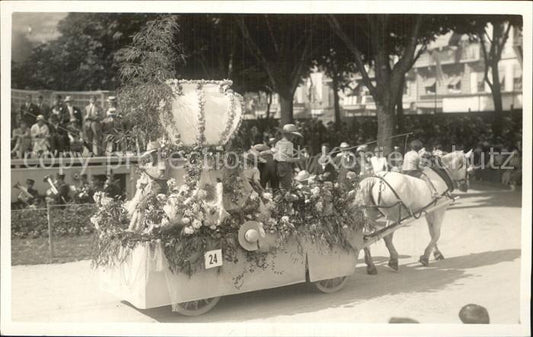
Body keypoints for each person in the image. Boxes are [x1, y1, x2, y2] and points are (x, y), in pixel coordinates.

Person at [273, 124, 304, 191]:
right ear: (288, 135)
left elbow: (276, 155)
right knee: (287, 188)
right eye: (293, 135)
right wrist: (300, 159)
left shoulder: (278, 143)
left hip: (277, 166)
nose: (294, 137)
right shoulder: (289, 144)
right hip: (285, 166)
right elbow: (288, 159)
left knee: (279, 187)